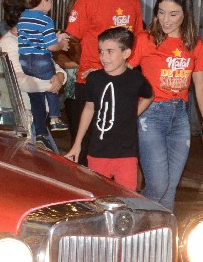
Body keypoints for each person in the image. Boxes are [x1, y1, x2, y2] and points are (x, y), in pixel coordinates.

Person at [132, 0, 203, 210]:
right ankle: (130, 218)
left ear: (185, 14)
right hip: (151, 116)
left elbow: (200, 85)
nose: (165, 20)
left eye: (173, 14)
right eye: (161, 12)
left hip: (180, 117)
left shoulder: (194, 43)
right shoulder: (145, 39)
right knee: (157, 186)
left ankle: (159, 241)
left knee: (169, 190)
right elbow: (124, 76)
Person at [64, 0, 144, 151]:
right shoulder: (87, 2)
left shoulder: (133, 1)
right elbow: (70, 40)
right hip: (91, 84)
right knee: (87, 145)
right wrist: (87, 66)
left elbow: (137, 39)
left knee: (115, 144)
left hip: (121, 84)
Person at [64, 27, 153, 189]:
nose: (104, 57)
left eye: (110, 51)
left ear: (126, 53)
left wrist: (134, 114)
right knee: (98, 194)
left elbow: (149, 95)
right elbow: (89, 109)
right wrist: (78, 144)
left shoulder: (136, 80)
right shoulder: (94, 79)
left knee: (126, 196)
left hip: (126, 154)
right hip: (98, 152)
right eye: (101, 51)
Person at [0, 0, 65, 150]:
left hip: (35, 118)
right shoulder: (7, 44)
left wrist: (60, 76)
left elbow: (54, 67)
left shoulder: (31, 40)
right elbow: (18, 80)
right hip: (19, 121)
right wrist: (50, 85)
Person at [15, 0, 69, 135]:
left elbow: (31, 37)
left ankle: (37, 119)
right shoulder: (46, 20)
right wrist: (60, 45)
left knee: (35, 92)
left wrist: (54, 38)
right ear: (44, 1)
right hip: (41, 60)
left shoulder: (23, 17)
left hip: (25, 59)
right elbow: (51, 46)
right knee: (52, 87)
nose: (51, 5)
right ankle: (54, 119)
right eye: (51, 1)